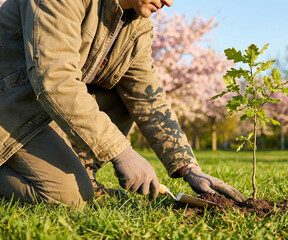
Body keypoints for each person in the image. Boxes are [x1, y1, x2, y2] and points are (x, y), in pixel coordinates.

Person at [0, 0, 246, 206]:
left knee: (124, 92)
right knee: (70, 199)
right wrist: (122, 152)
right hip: (9, 104)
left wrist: (187, 167)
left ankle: (86, 177)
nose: (169, 2)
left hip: (38, 109)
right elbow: (56, 79)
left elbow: (147, 97)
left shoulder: (135, 26)